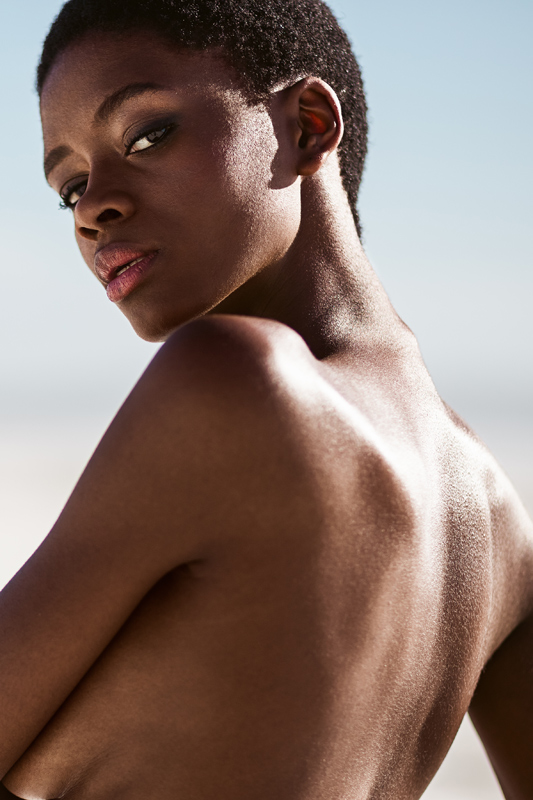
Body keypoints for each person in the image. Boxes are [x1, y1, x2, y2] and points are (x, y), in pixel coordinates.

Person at [1, 0, 532, 797]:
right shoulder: (497, 526)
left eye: (147, 135)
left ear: (308, 126)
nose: (89, 208)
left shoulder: (232, 381)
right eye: (68, 184)